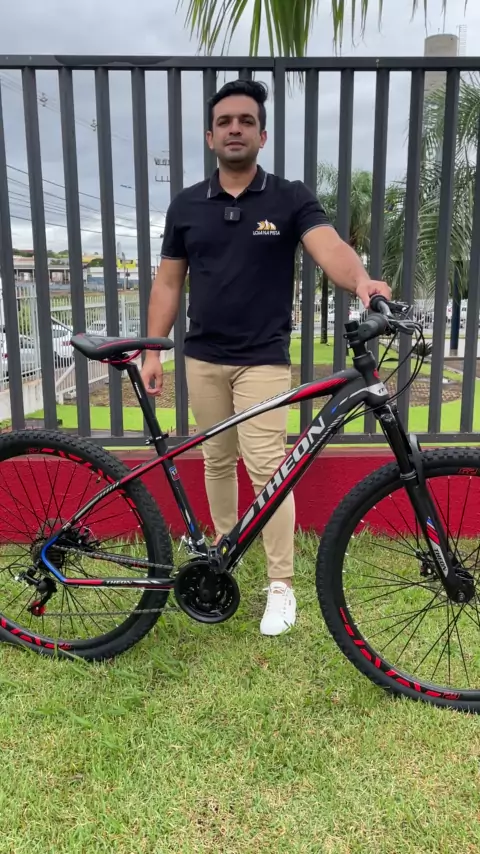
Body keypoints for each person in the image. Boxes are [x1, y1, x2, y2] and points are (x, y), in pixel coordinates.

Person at [141, 79, 391, 637]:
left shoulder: (289, 197)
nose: (235, 129)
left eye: (246, 121)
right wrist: (154, 349)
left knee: (268, 471)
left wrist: (362, 282)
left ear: (262, 134)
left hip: (263, 359)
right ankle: (223, 554)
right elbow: (168, 282)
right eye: (225, 121)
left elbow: (329, 246)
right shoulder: (186, 205)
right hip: (202, 357)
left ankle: (281, 584)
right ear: (211, 136)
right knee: (215, 460)